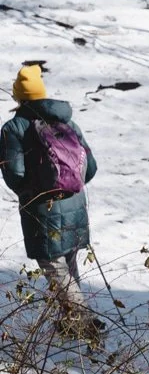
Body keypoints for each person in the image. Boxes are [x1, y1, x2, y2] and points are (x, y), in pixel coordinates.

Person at [1, 61, 100, 336]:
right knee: (67, 264)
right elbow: (90, 168)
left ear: (18, 95)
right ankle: (70, 324)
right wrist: (68, 187)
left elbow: (14, 173)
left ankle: (87, 324)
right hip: (75, 206)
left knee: (55, 269)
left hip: (43, 208)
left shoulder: (15, 127)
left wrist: (30, 193)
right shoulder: (67, 121)